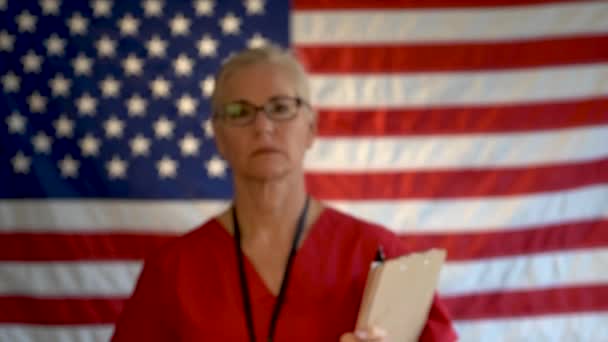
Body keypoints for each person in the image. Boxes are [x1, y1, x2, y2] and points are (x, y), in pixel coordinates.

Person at [111, 45, 458, 342]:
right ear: (217, 136)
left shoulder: (379, 257)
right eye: (239, 112)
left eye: (280, 108)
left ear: (311, 128)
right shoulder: (172, 271)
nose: (263, 126)